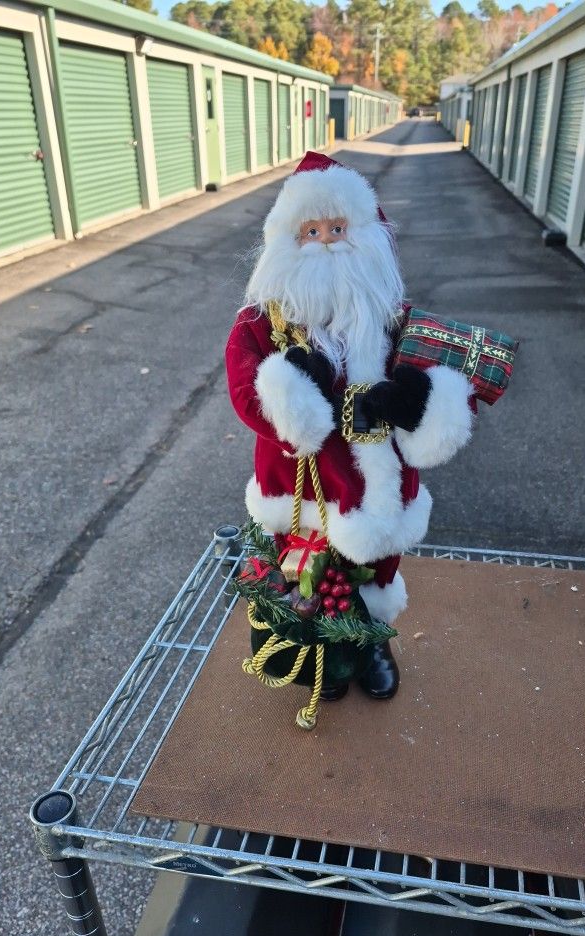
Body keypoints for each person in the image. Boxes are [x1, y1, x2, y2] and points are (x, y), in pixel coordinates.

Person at [225, 151, 474, 700]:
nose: (326, 243)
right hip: (300, 482)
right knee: (307, 573)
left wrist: (416, 402)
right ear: (286, 242)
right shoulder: (259, 323)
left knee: (377, 568)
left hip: (376, 480)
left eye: (337, 229)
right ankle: (324, 654)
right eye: (311, 232)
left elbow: (442, 387)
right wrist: (293, 387)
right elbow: (246, 395)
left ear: (363, 234)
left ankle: (371, 641)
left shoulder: (394, 316)